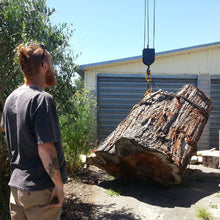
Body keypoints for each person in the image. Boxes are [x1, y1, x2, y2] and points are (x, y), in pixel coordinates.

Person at [1, 44, 67, 220]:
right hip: (40, 191)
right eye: (51, 64)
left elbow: (4, 127)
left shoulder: (11, 98)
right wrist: (59, 186)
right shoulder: (42, 99)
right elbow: (45, 148)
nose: (52, 68)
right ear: (44, 66)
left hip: (16, 191)